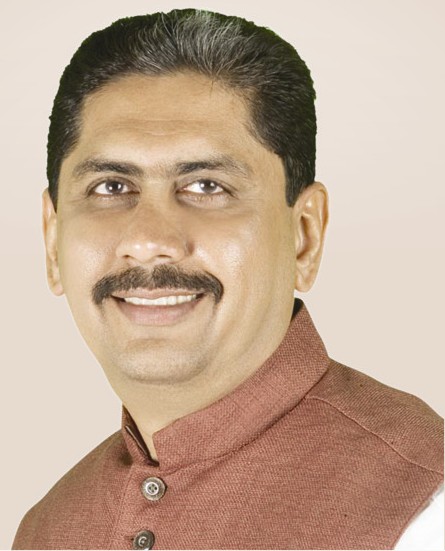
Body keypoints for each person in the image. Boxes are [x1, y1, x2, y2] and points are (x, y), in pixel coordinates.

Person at [12, 9, 443, 550]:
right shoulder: (46, 529)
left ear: (304, 236)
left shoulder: (423, 508)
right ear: (52, 241)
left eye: (207, 186)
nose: (148, 240)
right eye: (111, 188)